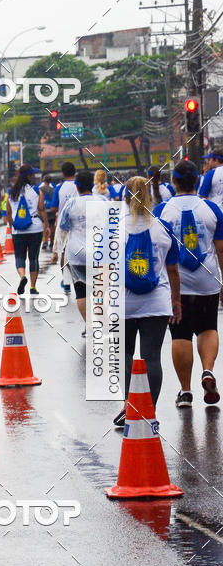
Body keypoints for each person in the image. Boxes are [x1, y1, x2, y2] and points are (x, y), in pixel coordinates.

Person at [112, 176, 181, 428]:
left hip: (123, 303)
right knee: (152, 357)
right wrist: (176, 301)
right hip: (157, 302)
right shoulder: (163, 228)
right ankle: (148, 411)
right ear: (150, 197)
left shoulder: (114, 228)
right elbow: (173, 270)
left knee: (125, 354)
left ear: (126, 198)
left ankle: (130, 407)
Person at [155, 159, 223, 408]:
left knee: (180, 334)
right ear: (197, 181)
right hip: (207, 281)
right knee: (207, 328)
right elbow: (222, 251)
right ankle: (207, 370)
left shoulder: (162, 211)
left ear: (173, 182)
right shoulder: (213, 210)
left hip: (177, 284)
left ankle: (185, 391)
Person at [53, 170, 109, 335]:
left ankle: (89, 326)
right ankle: (103, 324)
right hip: (100, 253)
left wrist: (56, 252)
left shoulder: (71, 204)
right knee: (101, 289)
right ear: (92, 185)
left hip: (77, 254)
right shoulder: (104, 201)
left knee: (81, 291)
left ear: (76, 187)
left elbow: (61, 231)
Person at [7, 164, 48, 295]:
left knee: (20, 257)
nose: (34, 177)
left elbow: (8, 213)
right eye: (32, 175)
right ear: (29, 176)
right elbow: (41, 209)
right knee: (33, 258)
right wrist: (46, 226)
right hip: (35, 228)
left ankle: (22, 276)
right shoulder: (37, 191)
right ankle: (32, 286)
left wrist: (11, 226)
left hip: (18, 230)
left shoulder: (11, 192)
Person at [49, 162, 78, 293]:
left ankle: (66, 281)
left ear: (63, 173)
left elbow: (53, 207)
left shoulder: (59, 187)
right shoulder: (80, 184)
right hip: (80, 223)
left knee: (64, 253)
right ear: (75, 171)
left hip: (63, 225)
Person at [38, 173, 55, 249]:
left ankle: (45, 242)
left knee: (44, 225)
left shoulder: (40, 189)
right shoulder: (53, 190)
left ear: (43, 180)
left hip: (43, 210)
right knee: (52, 226)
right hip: (51, 210)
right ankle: (51, 242)